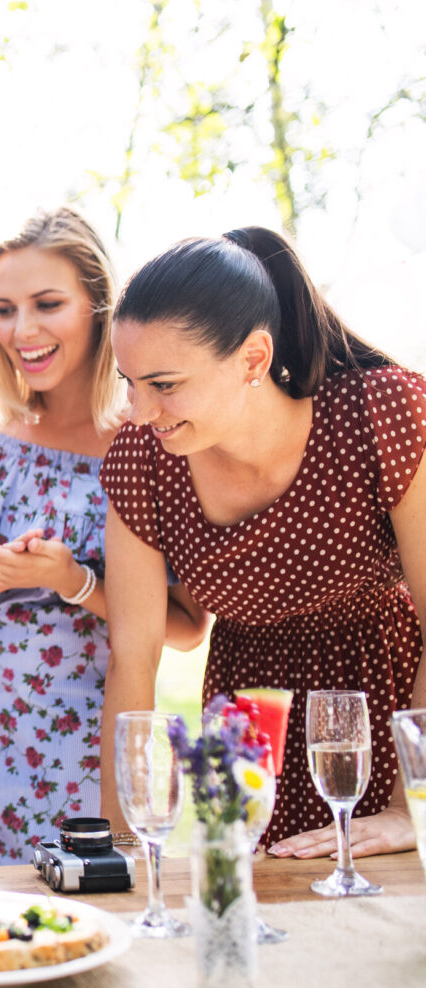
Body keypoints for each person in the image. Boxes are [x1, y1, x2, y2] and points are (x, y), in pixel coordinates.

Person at [0, 209, 209, 870]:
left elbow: (183, 628)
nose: (23, 331)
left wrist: (70, 581)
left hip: (81, 757)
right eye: (4, 309)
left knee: (72, 934)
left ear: (99, 306)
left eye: (47, 305)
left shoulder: (148, 436)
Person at [101, 226, 426, 857]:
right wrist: (118, 847)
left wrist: (412, 804)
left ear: (253, 357)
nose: (139, 412)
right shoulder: (141, 459)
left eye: (164, 385)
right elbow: (132, 658)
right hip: (247, 722)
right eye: (129, 383)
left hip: (391, 705)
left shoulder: (384, 413)